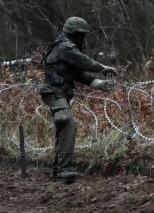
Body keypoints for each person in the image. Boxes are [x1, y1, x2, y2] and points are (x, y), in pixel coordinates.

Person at [39, 17, 118, 182]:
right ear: (73, 34)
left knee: (63, 128)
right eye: (80, 34)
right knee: (67, 122)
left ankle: (58, 169)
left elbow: (77, 74)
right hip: (54, 92)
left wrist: (98, 83)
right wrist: (102, 68)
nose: (82, 38)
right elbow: (84, 62)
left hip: (61, 92)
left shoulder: (66, 48)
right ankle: (64, 168)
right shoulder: (64, 47)